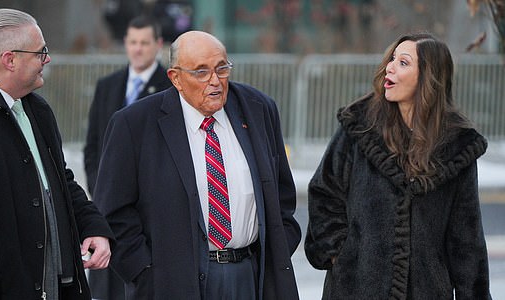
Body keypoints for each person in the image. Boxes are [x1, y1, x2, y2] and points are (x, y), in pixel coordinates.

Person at [93, 30, 301, 299]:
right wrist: (144, 272)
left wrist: (277, 251)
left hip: (250, 276)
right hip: (172, 283)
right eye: (201, 72)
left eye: (222, 69)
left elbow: (282, 196)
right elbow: (113, 211)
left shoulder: (258, 109)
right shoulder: (134, 124)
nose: (215, 81)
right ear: (176, 78)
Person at [0, 8, 114, 300]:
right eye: (40, 52)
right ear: (10, 60)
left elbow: (60, 180)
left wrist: (93, 226)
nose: (48, 59)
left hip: (55, 286)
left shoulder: (37, 110)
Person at [304, 32, 492, 299]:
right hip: (356, 288)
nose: (389, 67)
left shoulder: (456, 146)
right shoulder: (360, 126)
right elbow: (324, 192)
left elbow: (466, 240)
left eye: (403, 62)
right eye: (391, 59)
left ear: (428, 77)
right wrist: (340, 255)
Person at [84, 15, 172, 196]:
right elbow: (93, 142)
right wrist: (97, 187)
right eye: (133, 42)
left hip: (151, 196)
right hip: (108, 193)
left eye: (144, 43)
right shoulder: (106, 85)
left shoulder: (171, 88)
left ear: (158, 44)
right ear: (125, 43)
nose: (137, 49)